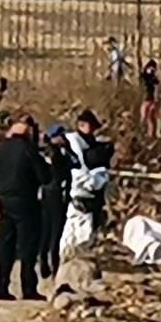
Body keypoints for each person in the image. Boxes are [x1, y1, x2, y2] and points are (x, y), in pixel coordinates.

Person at [0, 119, 51, 301]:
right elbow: (44, 176)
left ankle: (1, 287)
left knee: (6, 246)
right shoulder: (28, 150)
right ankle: (28, 287)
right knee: (27, 247)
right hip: (26, 201)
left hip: (5, 201)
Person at [60, 110, 113, 260]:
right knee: (73, 238)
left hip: (89, 199)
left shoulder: (90, 145)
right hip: (77, 196)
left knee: (84, 236)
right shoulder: (73, 143)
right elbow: (81, 173)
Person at [39, 124, 72, 279]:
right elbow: (72, 164)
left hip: (47, 192)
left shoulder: (45, 152)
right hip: (56, 193)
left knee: (46, 229)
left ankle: (44, 261)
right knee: (55, 230)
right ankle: (54, 263)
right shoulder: (57, 153)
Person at [140, 60, 161, 138]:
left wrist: (156, 100)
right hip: (146, 99)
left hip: (151, 100)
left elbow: (157, 87)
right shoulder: (145, 77)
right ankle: (144, 133)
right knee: (143, 117)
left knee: (150, 118)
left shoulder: (154, 79)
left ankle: (151, 134)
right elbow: (142, 75)